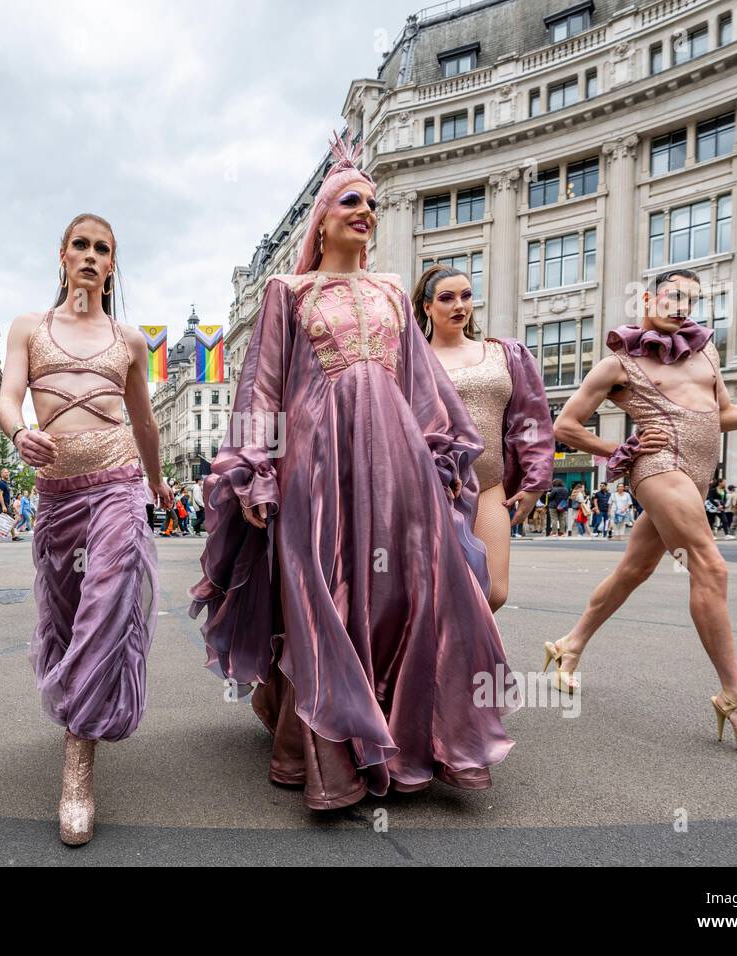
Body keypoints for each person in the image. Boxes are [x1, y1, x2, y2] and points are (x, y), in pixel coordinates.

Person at [190, 135, 514, 811]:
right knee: (323, 593)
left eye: (372, 201)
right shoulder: (289, 289)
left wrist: (444, 455)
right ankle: (332, 750)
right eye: (351, 200)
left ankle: (403, 743)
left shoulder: (395, 291)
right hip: (315, 463)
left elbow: (422, 385)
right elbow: (263, 387)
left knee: (408, 589)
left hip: (398, 463)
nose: (366, 210)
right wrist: (253, 471)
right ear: (323, 219)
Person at [545, 268, 737, 759]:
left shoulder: (706, 351)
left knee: (636, 568)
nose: (683, 306)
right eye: (674, 296)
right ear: (647, 298)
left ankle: (569, 644)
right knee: (710, 565)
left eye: (693, 299)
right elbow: (565, 426)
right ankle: (736, 697)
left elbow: (724, 417)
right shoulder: (616, 364)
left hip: (699, 473)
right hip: (657, 466)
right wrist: (620, 450)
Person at [0, 211, 169, 846]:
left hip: (119, 483)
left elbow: (145, 421)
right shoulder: (27, 328)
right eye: (81, 246)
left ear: (112, 265)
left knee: (107, 602)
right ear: (62, 256)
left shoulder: (129, 340)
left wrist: (154, 478)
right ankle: (78, 708)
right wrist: (19, 431)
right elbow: (7, 396)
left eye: (103, 249)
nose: (91, 256)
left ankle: (78, 759)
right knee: (67, 615)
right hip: (57, 494)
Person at [419, 264, 553, 609]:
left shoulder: (504, 353)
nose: (459, 305)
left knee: (493, 592)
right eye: (447, 298)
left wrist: (535, 481)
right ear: (427, 307)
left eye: (466, 296)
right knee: (431, 591)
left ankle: (454, 653)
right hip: (430, 491)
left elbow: (532, 419)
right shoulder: (412, 361)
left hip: (491, 485)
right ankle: (443, 660)